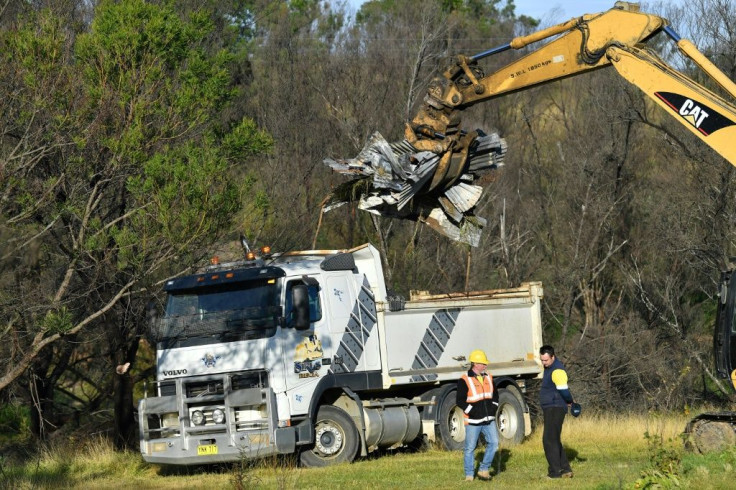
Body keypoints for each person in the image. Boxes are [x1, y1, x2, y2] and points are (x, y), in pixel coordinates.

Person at [457, 349, 499, 482]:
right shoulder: (464, 379)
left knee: (494, 443)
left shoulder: (489, 376)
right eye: (483, 363)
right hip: (473, 421)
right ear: (475, 364)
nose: (485, 366)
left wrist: (494, 407)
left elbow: (496, 395)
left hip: (489, 419)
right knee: (470, 448)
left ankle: (483, 469)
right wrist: (472, 411)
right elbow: (460, 400)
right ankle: (469, 475)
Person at [539, 344, 575, 479]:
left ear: (553, 357)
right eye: (542, 360)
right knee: (554, 439)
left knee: (548, 440)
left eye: (546, 360)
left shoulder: (557, 371)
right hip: (551, 407)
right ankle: (566, 469)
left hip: (555, 407)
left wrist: (570, 401)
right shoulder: (549, 367)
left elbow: (564, 390)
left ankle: (554, 472)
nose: (544, 363)